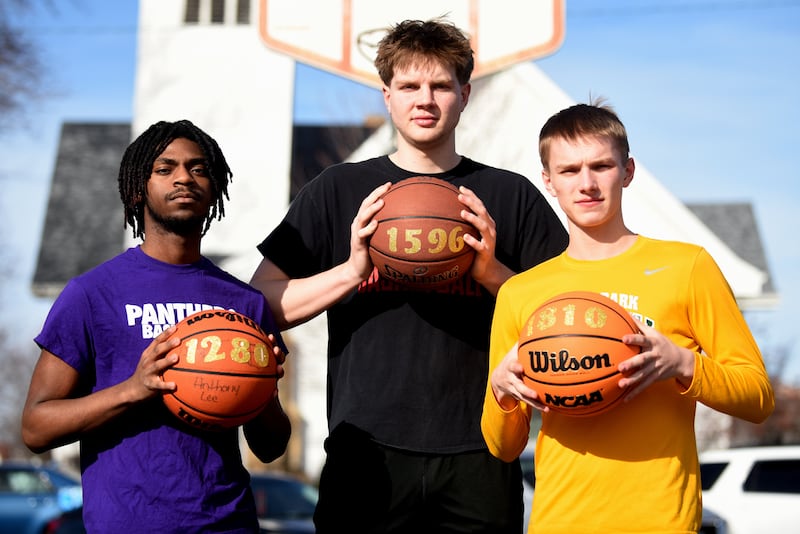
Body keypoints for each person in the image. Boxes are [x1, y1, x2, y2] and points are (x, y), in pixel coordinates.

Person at [250, 17, 568, 533]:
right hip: (364, 449)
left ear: (465, 95)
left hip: (481, 447)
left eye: (442, 85)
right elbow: (260, 303)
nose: (426, 99)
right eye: (409, 86)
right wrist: (351, 271)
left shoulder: (511, 195)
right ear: (386, 95)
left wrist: (491, 274)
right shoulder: (337, 189)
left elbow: (568, 318)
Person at [481, 101, 775, 533]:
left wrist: (682, 364)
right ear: (548, 181)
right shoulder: (521, 292)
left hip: (662, 522)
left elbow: (759, 399)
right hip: (558, 522)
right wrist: (502, 392)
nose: (586, 184)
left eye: (601, 166)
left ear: (628, 171)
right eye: (569, 170)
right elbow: (503, 448)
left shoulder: (686, 267)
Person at [21, 120, 291, 533]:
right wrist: (133, 389)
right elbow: (36, 427)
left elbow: (270, 448)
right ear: (136, 190)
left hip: (228, 524)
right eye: (165, 169)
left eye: (198, 168)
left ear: (215, 189)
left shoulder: (245, 303)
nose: (184, 177)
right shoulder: (92, 294)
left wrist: (263, 390)